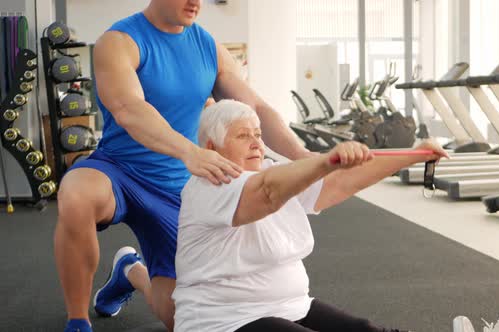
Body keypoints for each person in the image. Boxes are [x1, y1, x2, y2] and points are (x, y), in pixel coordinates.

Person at [55, 1, 312, 331]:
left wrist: (303, 156)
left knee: (182, 320)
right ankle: (77, 319)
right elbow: (128, 108)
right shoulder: (119, 42)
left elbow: (256, 107)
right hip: (119, 170)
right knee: (76, 196)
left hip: (178, 187)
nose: (196, 2)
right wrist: (188, 151)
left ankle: (130, 272)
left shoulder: (208, 47)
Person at [173, 99, 450, 332]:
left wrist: (414, 154)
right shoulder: (210, 185)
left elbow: (340, 183)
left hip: (291, 306)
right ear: (212, 148)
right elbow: (268, 193)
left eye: (258, 135)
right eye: (243, 136)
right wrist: (327, 160)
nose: (256, 143)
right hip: (224, 321)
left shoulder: (269, 169)